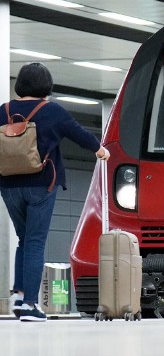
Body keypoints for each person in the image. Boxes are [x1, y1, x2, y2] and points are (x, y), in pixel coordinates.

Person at [1, 63, 110, 322]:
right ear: (45, 86)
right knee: (35, 241)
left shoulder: (3, 111)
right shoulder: (52, 111)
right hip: (41, 183)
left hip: (8, 185)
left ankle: (18, 294)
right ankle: (29, 304)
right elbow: (80, 134)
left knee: (24, 239)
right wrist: (101, 151)